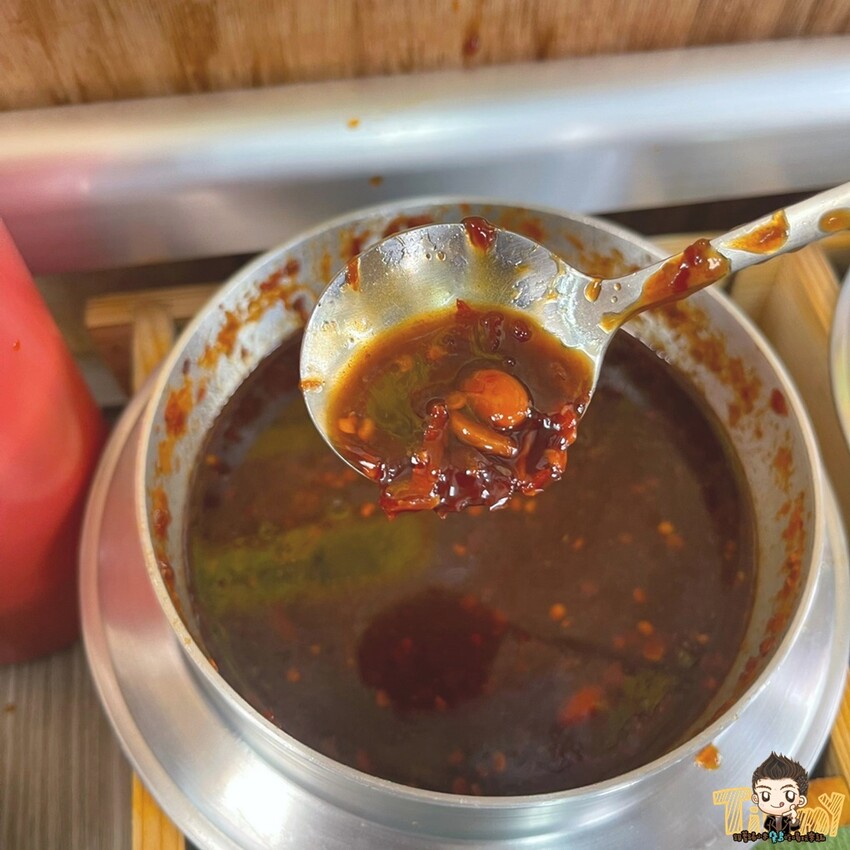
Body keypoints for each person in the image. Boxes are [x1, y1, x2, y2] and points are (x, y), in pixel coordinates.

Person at [751, 752, 809, 839]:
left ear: (800, 800)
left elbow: (795, 829)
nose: (776, 802)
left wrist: (793, 819)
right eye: (765, 796)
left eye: (789, 796)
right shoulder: (768, 820)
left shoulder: (792, 817)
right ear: (756, 798)